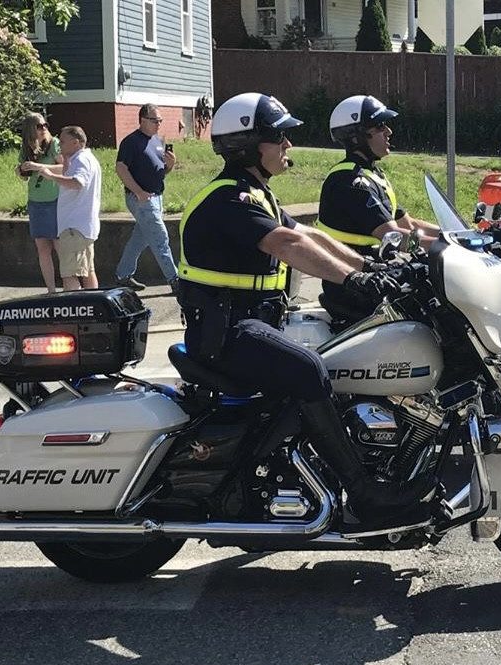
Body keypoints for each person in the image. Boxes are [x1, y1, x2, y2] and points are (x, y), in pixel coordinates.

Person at [178, 92, 435, 527]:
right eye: (278, 137)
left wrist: (371, 267)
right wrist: (352, 280)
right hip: (225, 333)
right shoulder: (229, 199)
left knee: (335, 359)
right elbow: (288, 245)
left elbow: (313, 237)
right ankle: (365, 492)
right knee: (310, 370)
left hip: (252, 322)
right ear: (247, 145)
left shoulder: (261, 196)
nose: (288, 145)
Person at [316, 95, 440, 317]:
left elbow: (408, 224)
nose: (389, 132)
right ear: (357, 137)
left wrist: (456, 235)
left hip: (379, 278)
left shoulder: (372, 175)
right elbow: (392, 235)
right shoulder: (351, 181)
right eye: (380, 126)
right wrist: (447, 249)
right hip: (356, 286)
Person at [21, 126, 101, 291]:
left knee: (69, 274)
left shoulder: (81, 160)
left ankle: (76, 311)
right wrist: (64, 158)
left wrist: (51, 176)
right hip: (84, 226)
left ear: (75, 142)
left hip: (74, 228)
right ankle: (93, 308)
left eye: (63, 142)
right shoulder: (85, 158)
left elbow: (77, 183)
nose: (60, 145)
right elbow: (70, 175)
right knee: (87, 271)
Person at [114, 104, 179, 295]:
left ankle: (122, 275)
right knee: (160, 238)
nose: (158, 124)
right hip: (141, 199)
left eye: (160, 120)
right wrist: (139, 192)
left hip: (156, 197)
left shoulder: (157, 141)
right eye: (154, 120)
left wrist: (170, 165)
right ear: (142, 120)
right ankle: (175, 280)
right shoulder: (131, 142)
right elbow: (120, 168)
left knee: (140, 238)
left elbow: (160, 172)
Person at [17, 112, 62, 293]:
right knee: (43, 248)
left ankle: (68, 287)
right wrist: (21, 170)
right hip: (36, 202)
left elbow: (64, 167)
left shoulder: (54, 144)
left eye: (45, 125)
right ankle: (51, 289)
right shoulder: (26, 148)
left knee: (59, 246)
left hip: (54, 200)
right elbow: (22, 175)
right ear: (30, 129)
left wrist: (40, 167)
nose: (44, 129)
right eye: (39, 126)